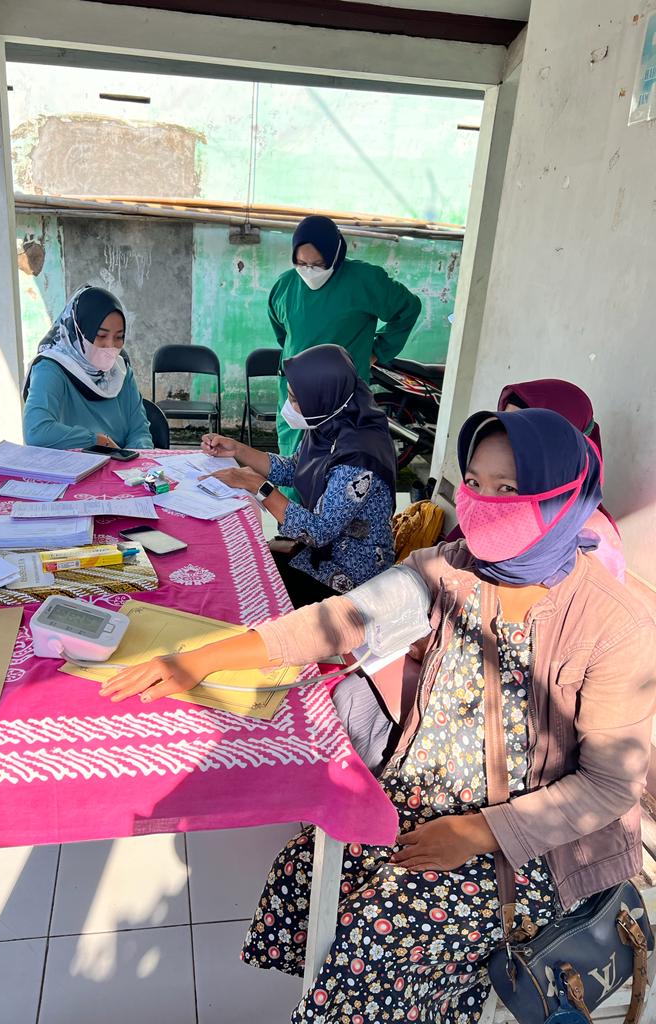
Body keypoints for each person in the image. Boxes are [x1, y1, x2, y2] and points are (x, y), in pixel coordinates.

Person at [99, 407, 656, 1024]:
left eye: (509, 490)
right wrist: (199, 660)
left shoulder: (614, 624)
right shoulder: (455, 567)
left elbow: (609, 787)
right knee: (304, 872)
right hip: (424, 796)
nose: (483, 504)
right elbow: (341, 618)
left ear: (565, 498)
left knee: (375, 938)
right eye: (474, 482)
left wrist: (478, 832)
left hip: (534, 847)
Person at [200, 345, 396, 607]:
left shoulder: (358, 458)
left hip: (351, 577)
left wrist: (258, 486)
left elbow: (318, 531)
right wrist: (237, 450)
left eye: (294, 398)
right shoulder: (331, 420)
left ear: (320, 397)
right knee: (243, 561)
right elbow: (295, 467)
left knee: (248, 585)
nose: (288, 406)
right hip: (322, 554)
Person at [269, 215, 422, 458]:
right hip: (296, 393)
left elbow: (408, 309)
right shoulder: (284, 287)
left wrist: (378, 350)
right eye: (301, 263)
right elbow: (283, 334)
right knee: (293, 459)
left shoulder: (365, 281)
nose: (309, 271)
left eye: (318, 264)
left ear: (336, 255)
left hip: (343, 395)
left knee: (339, 459)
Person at [449, 377, 625, 581]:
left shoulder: (596, 544)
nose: (506, 440)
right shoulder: (481, 508)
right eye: (506, 424)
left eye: (525, 434)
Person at [23, 285, 152, 451]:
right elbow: (36, 431)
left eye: (119, 337)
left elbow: (140, 432)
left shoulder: (120, 370)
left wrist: (132, 457)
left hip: (119, 462)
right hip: (69, 463)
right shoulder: (51, 368)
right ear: (79, 331)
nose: (110, 345)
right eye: (101, 335)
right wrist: (98, 441)